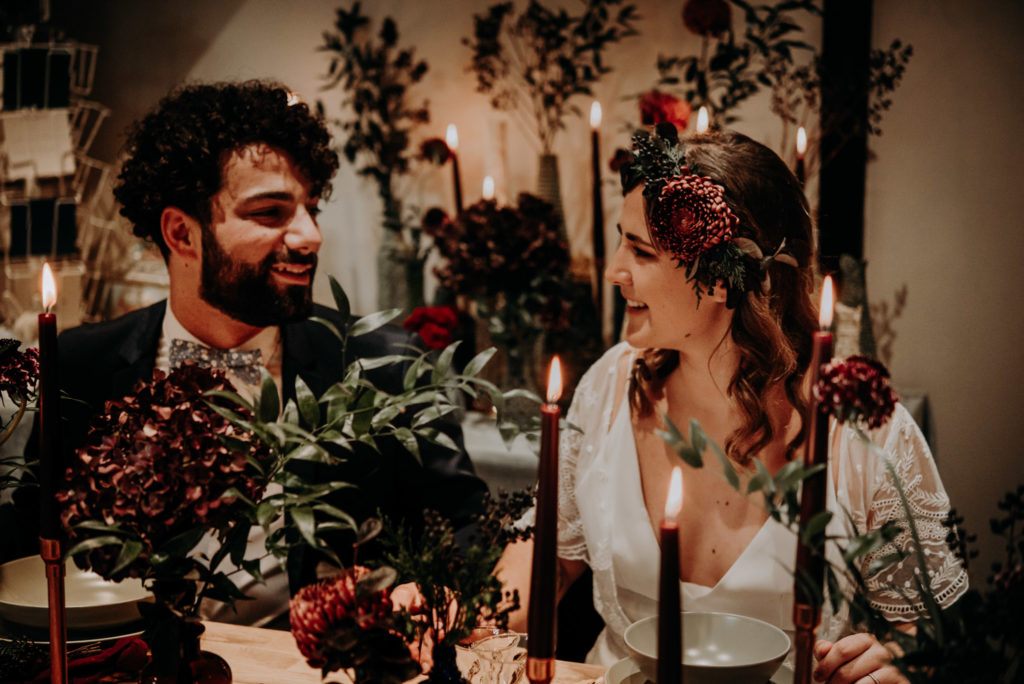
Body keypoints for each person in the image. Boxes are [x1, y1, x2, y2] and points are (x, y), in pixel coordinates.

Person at [499, 127, 967, 682]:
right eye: (620, 241)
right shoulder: (609, 384)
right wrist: (455, 608)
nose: (613, 271)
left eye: (641, 250)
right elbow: (552, 556)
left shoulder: (861, 424)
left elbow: (929, 631)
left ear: (722, 279)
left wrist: (899, 659)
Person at [15, 80, 488, 626]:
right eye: (270, 213)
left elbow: (467, 527)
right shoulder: (81, 364)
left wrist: (417, 597)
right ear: (181, 233)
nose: (309, 236)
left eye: (310, 209)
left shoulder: (388, 363)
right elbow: (34, 542)